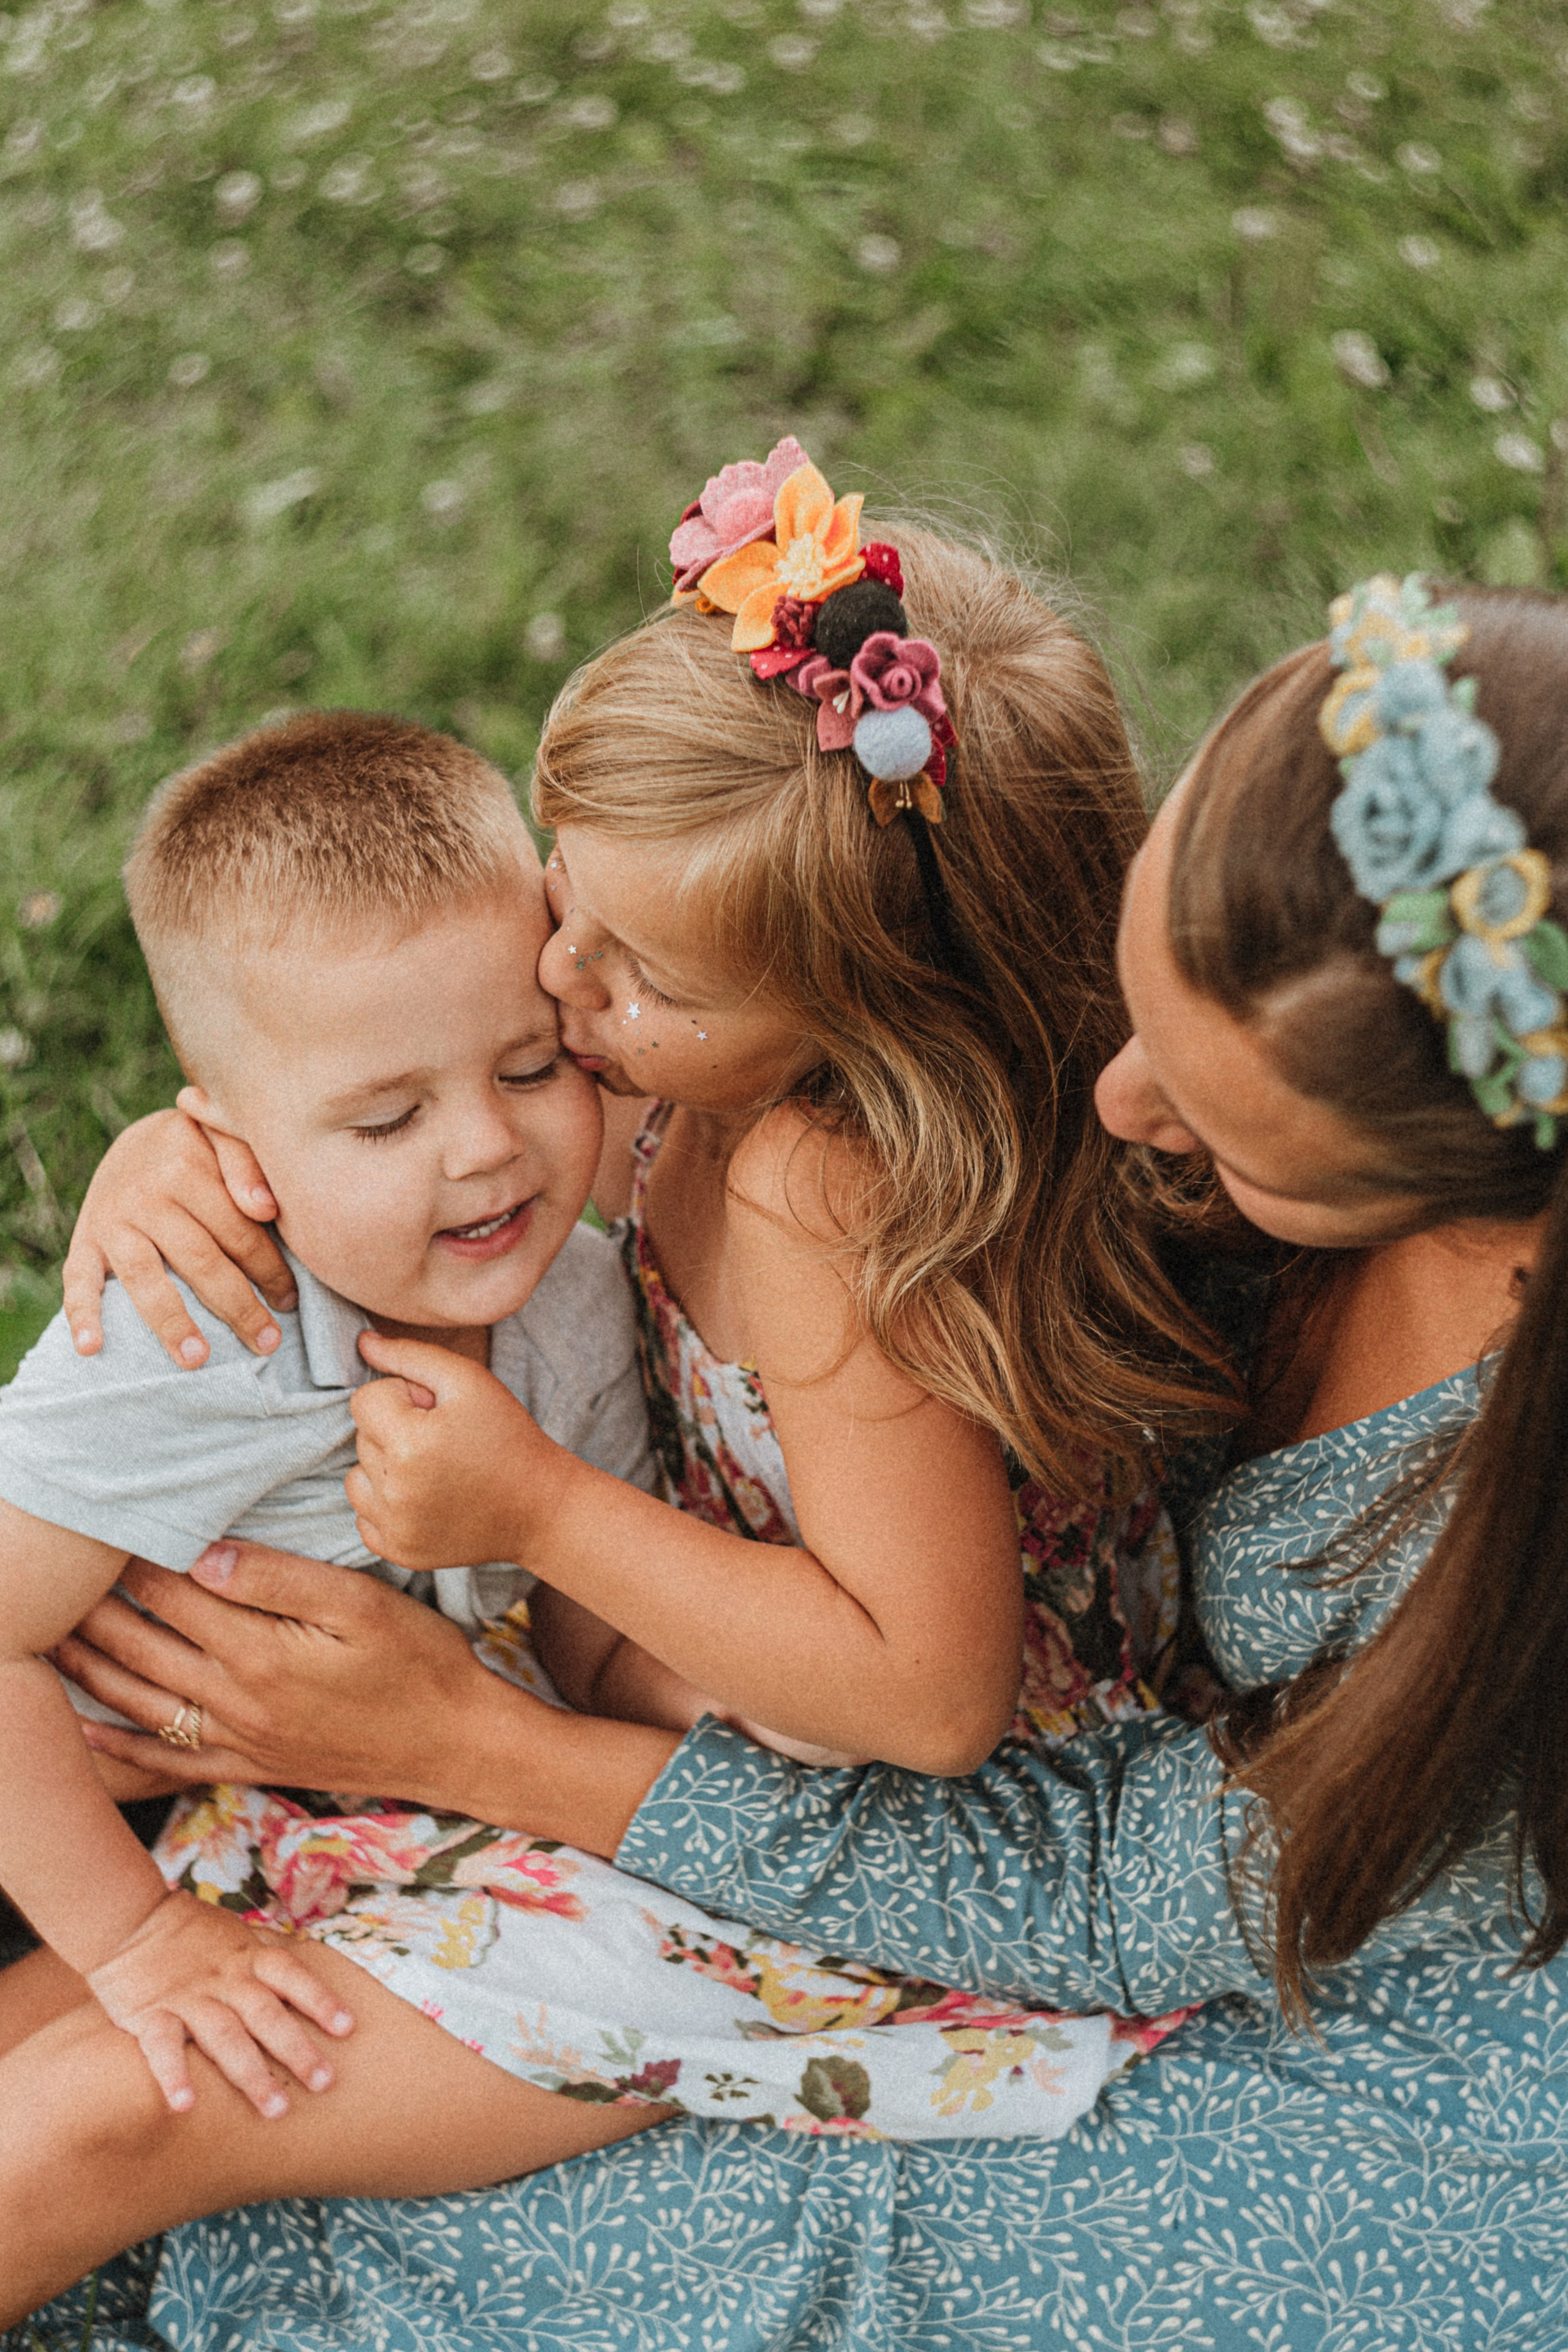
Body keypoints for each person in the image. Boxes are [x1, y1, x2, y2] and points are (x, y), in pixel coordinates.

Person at [20, 573, 1568, 2351]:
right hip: (850, 1755)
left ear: (1477, 1188)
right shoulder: (862, 1036)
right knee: (151, 2006)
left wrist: (483, 1738)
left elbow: (1071, 1850)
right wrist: (220, 1160)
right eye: (1131, 996)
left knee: (489, 2200)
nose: (1117, 1100)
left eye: (1223, 1127)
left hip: (1304, 2009)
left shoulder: (1490, 1538)